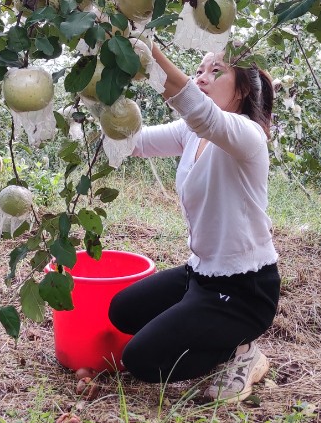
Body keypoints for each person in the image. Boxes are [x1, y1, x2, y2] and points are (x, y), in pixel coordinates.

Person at [107, 43, 279, 402]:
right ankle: (204, 324)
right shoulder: (192, 133)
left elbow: (200, 112)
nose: (202, 77)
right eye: (199, 69)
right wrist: (99, 96)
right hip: (201, 275)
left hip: (245, 290)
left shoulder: (249, 136)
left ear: (243, 89)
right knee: (122, 311)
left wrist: (146, 46)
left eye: (216, 71)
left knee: (141, 360)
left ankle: (240, 353)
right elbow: (134, 142)